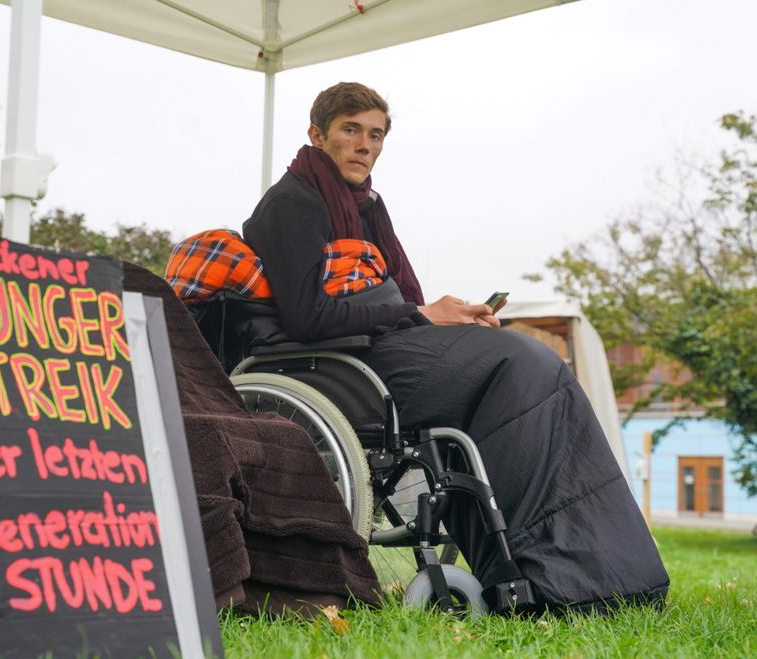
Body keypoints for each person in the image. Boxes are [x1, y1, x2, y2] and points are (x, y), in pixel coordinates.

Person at [241, 82, 669, 613]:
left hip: (378, 351)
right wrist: (421, 316)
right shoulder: (292, 203)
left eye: (375, 135)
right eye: (351, 130)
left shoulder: (368, 207)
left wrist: (453, 318)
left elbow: (393, 302)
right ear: (317, 134)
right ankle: (553, 580)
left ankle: (588, 579)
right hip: (337, 368)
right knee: (523, 363)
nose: (365, 145)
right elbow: (308, 316)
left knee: (527, 363)